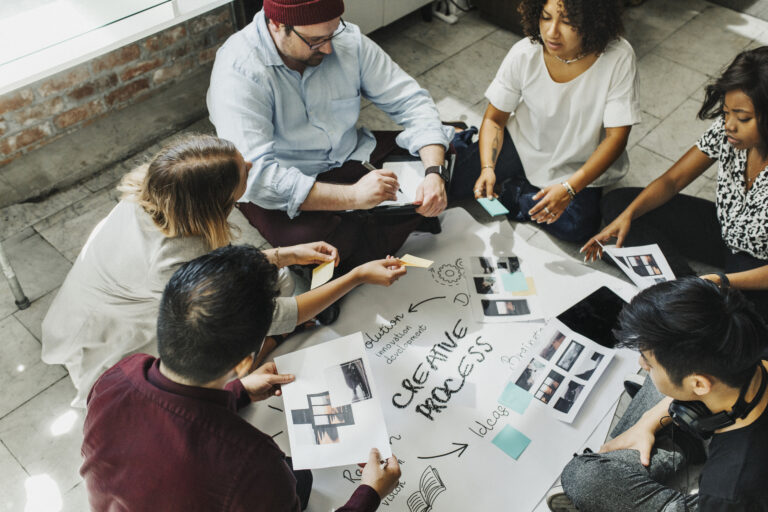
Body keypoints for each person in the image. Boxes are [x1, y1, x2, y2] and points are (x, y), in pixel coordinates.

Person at [42, 134, 407, 407]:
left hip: (117, 293)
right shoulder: (174, 259)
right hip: (117, 328)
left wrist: (283, 254)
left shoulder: (158, 192)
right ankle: (258, 357)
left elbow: (217, 267)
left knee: (274, 281)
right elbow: (276, 314)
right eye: (242, 173)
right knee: (222, 351)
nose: (250, 166)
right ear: (217, 204)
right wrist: (357, 276)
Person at [80, 245, 401, 511]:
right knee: (298, 479)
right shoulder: (252, 461)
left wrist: (239, 391)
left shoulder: (117, 375)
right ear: (246, 361)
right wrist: (369, 493)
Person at [206, 0, 456, 272]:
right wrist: (353, 197)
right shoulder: (238, 70)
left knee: (444, 153)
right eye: (315, 41)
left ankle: (368, 234)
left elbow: (412, 103)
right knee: (312, 243)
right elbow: (258, 179)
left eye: (332, 34)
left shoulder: (346, 40)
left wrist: (434, 173)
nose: (327, 48)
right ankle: (386, 224)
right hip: (290, 182)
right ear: (276, 25)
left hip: (351, 154)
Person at [548, 277, 768, 511]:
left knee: (583, 476)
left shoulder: (727, 490)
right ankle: (676, 437)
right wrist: (648, 420)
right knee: (665, 378)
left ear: (700, 385)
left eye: (648, 363)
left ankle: (670, 456)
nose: (642, 364)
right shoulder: (745, 337)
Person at [582, 47, 768, 312]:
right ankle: (690, 287)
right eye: (726, 112)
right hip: (725, 231)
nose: (729, 124)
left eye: (743, 118)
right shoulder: (727, 131)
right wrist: (629, 215)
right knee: (619, 205)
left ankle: (692, 294)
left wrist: (724, 281)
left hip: (758, 264)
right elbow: (673, 180)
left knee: (743, 336)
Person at [460, 0, 640, 243]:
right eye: (545, 17)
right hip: (524, 144)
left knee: (577, 226)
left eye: (568, 22)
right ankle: (512, 182)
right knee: (457, 178)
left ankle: (515, 190)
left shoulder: (618, 57)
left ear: (595, 22)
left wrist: (568, 189)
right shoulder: (525, 52)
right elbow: (494, 120)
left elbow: (616, 138)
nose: (551, 31)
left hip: (578, 164)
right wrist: (487, 168)